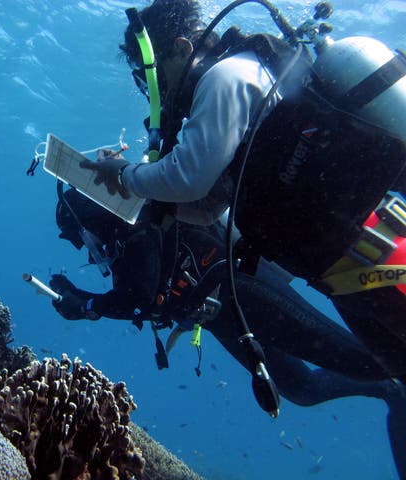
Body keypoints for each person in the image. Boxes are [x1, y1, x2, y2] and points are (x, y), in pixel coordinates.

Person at [79, 0, 406, 391]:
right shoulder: (240, 76)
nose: (151, 89)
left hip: (374, 249)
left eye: (146, 74)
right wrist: (145, 198)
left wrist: (128, 176)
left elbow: (189, 178)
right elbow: (209, 205)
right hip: (342, 266)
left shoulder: (225, 77)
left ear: (182, 48)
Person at [50, 186, 406, 477]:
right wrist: (80, 297)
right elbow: (136, 293)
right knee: (300, 387)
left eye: (76, 237)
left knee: (352, 356)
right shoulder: (118, 239)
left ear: (85, 218)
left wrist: (86, 305)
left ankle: (392, 377)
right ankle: (386, 388)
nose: (82, 247)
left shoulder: (133, 225)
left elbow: (140, 297)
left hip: (245, 290)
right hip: (219, 316)